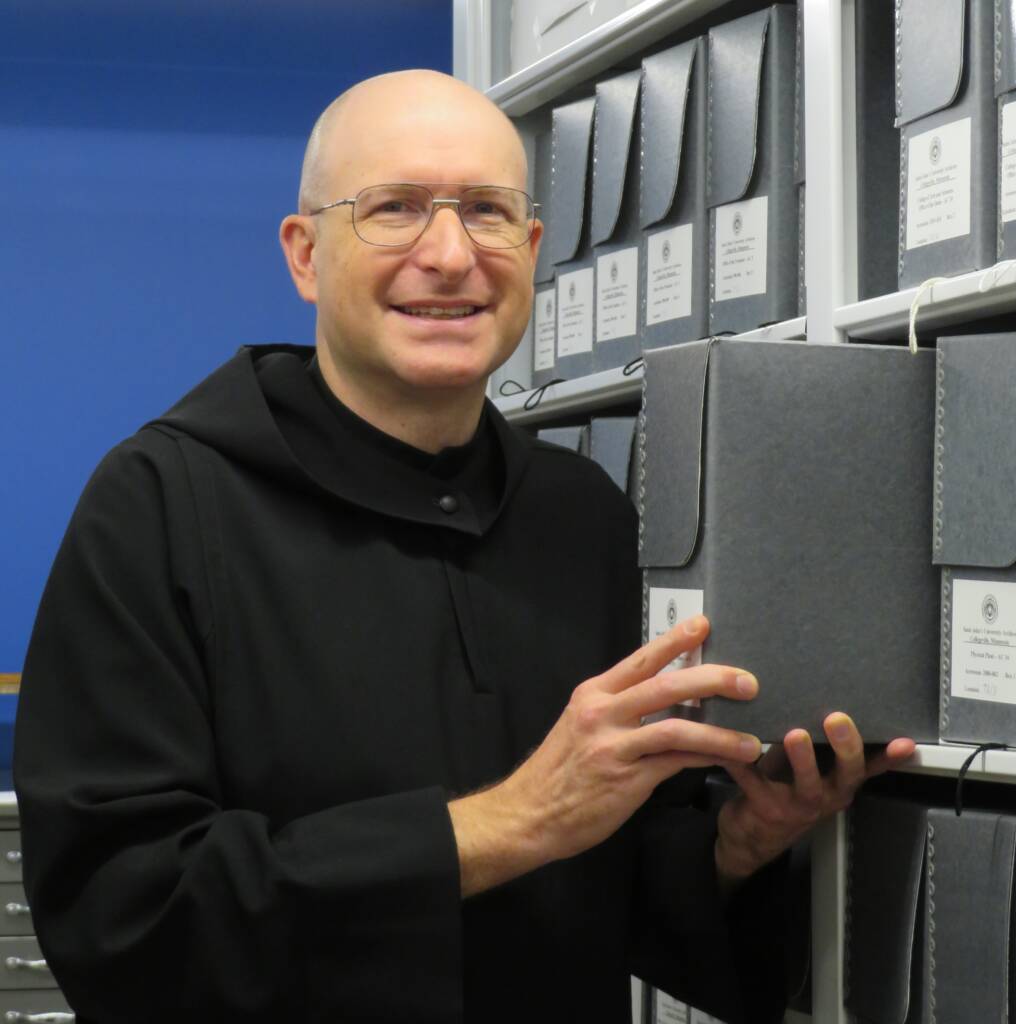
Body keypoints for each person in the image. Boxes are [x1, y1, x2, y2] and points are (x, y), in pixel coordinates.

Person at [13, 70, 915, 1024]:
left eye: (486, 213)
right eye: (394, 209)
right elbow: (121, 917)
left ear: (530, 250)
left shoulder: (586, 516)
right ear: (305, 254)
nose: (449, 256)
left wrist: (737, 846)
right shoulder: (159, 506)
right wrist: (507, 824)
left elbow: (609, 881)